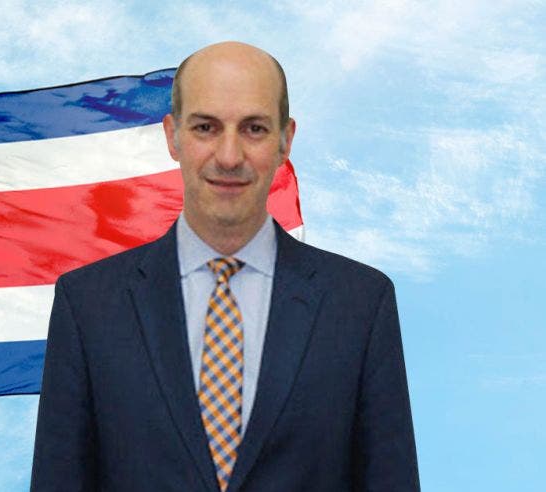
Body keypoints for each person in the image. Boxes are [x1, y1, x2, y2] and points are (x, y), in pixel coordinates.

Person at [31, 41, 419, 491]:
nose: (230, 156)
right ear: (172, 136)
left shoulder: (360, 304)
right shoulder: (89, 305)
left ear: (285, 140)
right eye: (206, 128)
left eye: (253, 128)